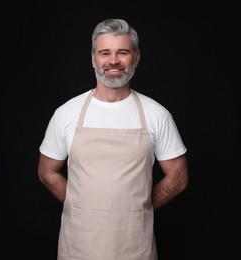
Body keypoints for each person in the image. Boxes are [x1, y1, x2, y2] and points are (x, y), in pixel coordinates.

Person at [38, 18, 188, 260]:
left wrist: (139, 207)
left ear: (136, 58)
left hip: (134, 246)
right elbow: (46, 171)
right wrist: (81, 205)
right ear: (93, 59)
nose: (113, 61)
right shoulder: (67, 113)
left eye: (123, 52)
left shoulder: (156, 115)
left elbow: (178, 178)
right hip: (78, 245)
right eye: (105, 52)